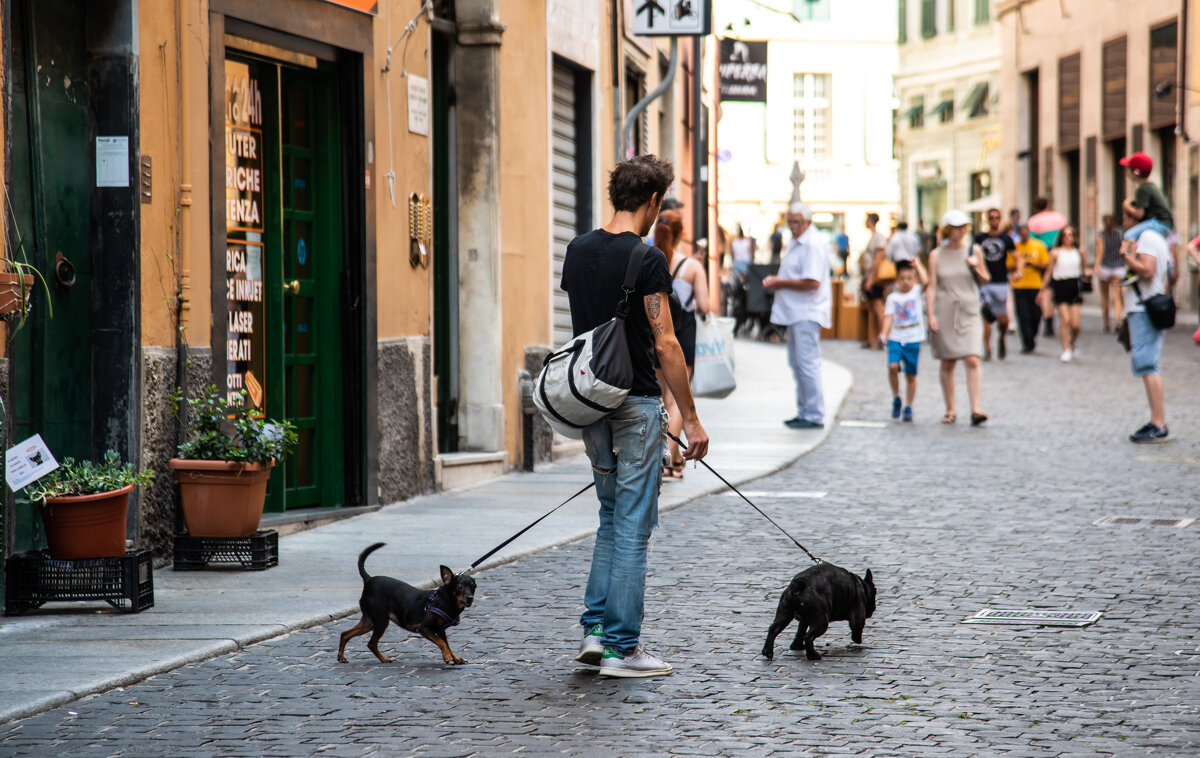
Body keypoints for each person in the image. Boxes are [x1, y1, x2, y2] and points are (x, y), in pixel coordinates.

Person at [560, 154, 709, 678]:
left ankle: (596, 634)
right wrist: (689, 420)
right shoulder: (646, 260)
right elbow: (666, 342)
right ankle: (623, 648)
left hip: (591, 403)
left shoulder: (577, 250)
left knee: (608, 517)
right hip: (637, 403)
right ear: (652, 202)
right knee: (632, 525)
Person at [764, 201, 833, 429]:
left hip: (807, 311)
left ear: (808, 222)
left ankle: (813, 414)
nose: (793, 226)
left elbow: (812, 282)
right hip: (797, 312)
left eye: (797, 222)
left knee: (807, 363)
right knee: (798, 363)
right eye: (790, 222)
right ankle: (805, 410)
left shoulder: (811, 244)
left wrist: (778, 282)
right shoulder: (798, 241)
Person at [655, 210, 710, 480]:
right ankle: (668, 458)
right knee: (677, 399)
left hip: (655, 332)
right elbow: (706, 306)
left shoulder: (652, 261)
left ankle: (674, 459)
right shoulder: (692, 267)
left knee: (663, 397)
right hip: (683, 332)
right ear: (681, 234)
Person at [927, 209, 990, 426]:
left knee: (972, 357)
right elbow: (932, 287)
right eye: (956, 227)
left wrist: (975, 266)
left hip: (970, 309)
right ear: (947, 230)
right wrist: (930, 314)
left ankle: (975, 409)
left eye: (964, 226)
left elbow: (985, 280)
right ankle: (950, 409)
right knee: (948, 361)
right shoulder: (936, 255)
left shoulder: (975, 250)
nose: (961, 231)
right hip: (945, 310)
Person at [1119, 210, 1170, 443]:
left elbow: (1147, 270)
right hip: (1148, 305)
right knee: (1149, 363)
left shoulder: (1147, 237)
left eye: (1127, 216)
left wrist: (1126, 256)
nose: (1124, 221)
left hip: (1143, 308)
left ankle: (1158, 422)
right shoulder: (1158, 237)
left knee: (1148, 364)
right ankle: (1157, 420)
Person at [879, 258, 928, 423]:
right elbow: (888, 317)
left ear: (915, 280)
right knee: (892, 366)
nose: (906, 282)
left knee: (910, 375)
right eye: (902, 278)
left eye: (909, 278)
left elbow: (927, 281)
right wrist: (884, 334)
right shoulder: (893, 298)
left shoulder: (917, 293)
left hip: (913, 339)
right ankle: (896, 397)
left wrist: (918, 265)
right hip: (896, 338)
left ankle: (909, 406)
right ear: (897, 280)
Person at [975, 208, 1016, 361]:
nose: (994, 220)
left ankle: (1002, 338)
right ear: (987, 219)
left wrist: (1016, 270)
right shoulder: (980, 238)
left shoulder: (1006, 239)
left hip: (1000, 281)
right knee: (987, 318)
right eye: (991, 218)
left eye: (997, 218)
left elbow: (1016, 257)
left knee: (1003, 319)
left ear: (1000, 219)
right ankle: (987, 348)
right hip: (985, 283)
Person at [1119, 152, 1173, 258]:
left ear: (1135, 172)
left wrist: (1126, 206)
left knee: (1128, 235)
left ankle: (1128, 257)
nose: (1126, 173)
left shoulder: (1142, 189)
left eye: (1128, 169)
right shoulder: (1151, 187)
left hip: (1157, 222)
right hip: (1165, 224)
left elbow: (1139, 214)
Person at [1046, 225, 1089, 362]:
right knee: (1065, 320)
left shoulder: (1079, 251)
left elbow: (1085, 268)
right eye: (1065, 234)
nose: (1068, 237)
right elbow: (1049, 272)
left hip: (1074, 285)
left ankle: (1072, 342)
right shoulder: (1055, 252)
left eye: (1070, 234)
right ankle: (1066, 349)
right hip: (1060, 286)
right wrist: (1042, 290)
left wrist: (1087, 274)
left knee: (1076, 325)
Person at [1010, 223, 1050, 354]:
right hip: (1019, 285)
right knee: (1023, 315)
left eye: (1026, 231)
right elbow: (1008, 265)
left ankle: (1032, 337)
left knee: (1036, 314)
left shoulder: (1038, 245)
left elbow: (1046, 264)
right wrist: (1018, 265)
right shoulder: (1014, 248)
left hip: (1035, 285)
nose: (1024, 234)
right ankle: (1027, 343)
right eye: (1021, 232)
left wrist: (1032, 264)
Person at [860, 212, 890, 350]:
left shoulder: (878, 237)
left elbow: (878, 258)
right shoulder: (874, 237)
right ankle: (874, 339)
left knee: (877, 308)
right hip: (871, 277)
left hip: (875, 278)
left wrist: (871, 278)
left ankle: (882, 338)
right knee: (873, 308)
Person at [1095, 213, 1125, 332]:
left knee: (1105, 297)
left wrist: (1097, 265)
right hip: (1118, 267)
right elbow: (1124, 250)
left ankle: (1106, 323)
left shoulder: (1101, 236)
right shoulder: (1119, 234)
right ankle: (1118, 321)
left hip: (1105, 267)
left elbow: (1100, 252)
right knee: (1117, 297)